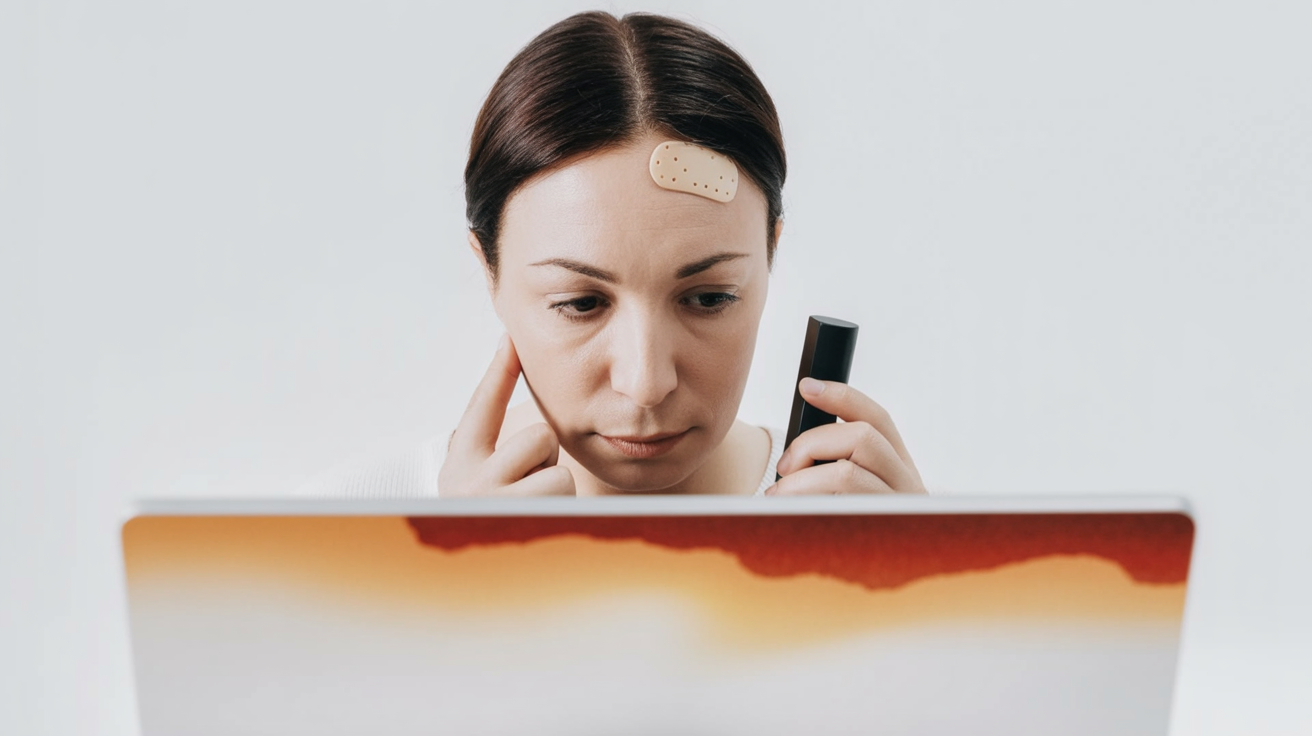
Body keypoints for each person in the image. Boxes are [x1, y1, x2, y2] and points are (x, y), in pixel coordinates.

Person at [298, 11, 925, 499]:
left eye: (708, 298)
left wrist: (937, 604)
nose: (646, 384)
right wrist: (452, 591)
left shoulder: (893, 525)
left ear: (770, 258)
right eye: (580, 302)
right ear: (489, 272)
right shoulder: (339, 528)